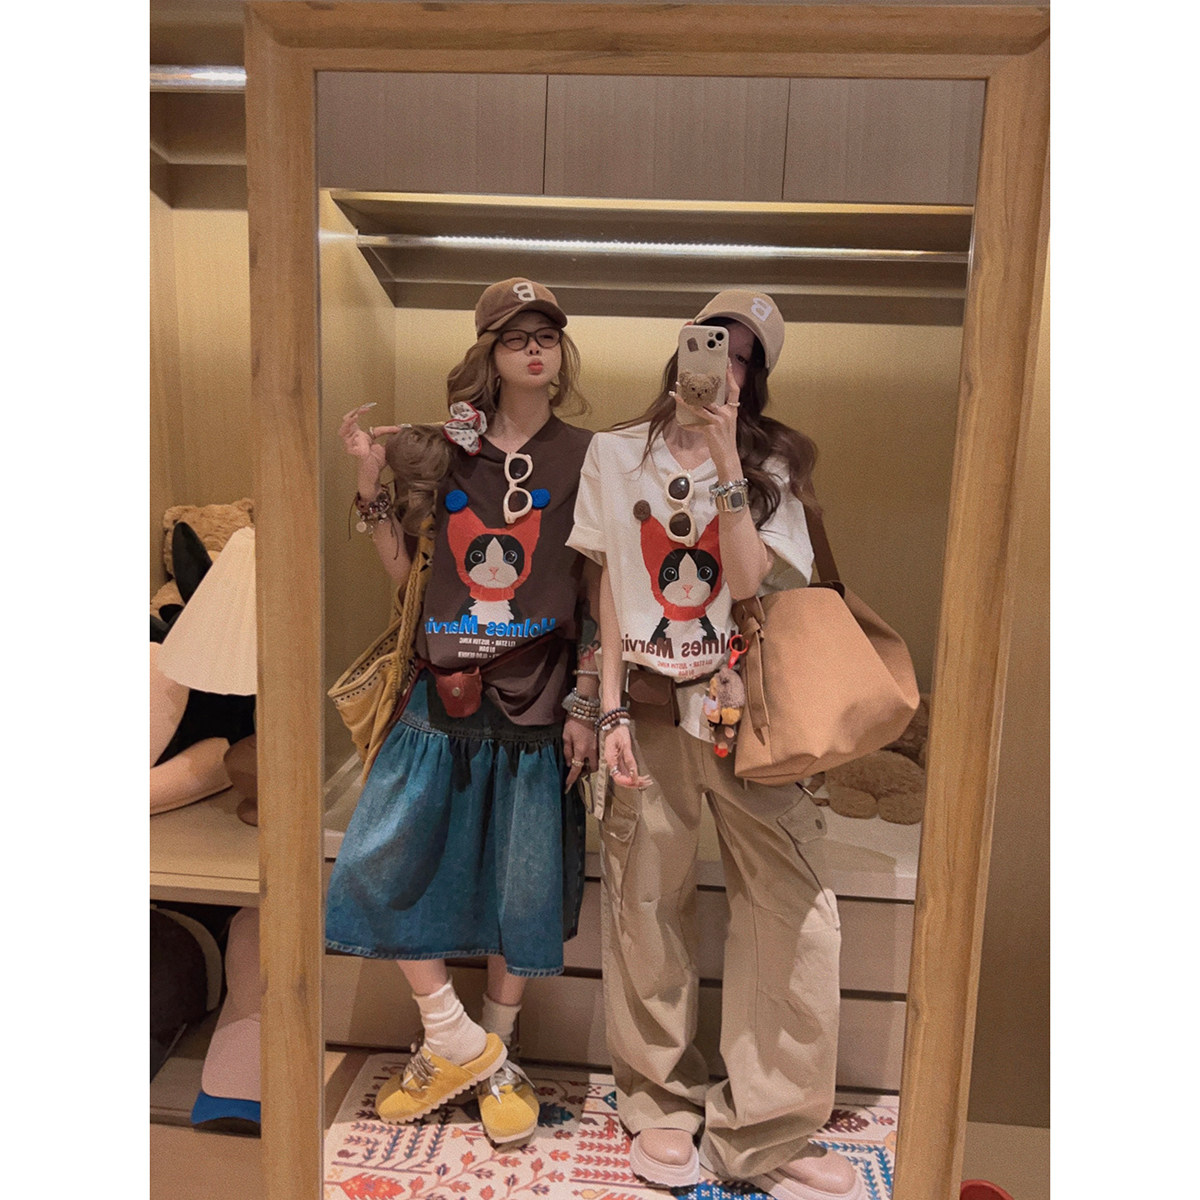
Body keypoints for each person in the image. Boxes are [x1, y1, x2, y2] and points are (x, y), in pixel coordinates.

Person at [569, 290, 866, 1200]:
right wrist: (608, 712)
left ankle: (766, 1130)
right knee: (645, 903)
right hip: (649, 710)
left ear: (756, 378)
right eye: (713, 345)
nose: (723, 366)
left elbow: (745, 580)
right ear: (681, 349)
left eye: (743, 357)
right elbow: (607, 587)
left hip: (749, 718)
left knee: (791, 910)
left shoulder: (773, 462)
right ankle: (660, 1103)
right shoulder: (615, 453)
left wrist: (732, 456)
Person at [326, 278, 600, 1146]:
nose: (534, 348)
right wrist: (369, 479)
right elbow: (405, 573)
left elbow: (600, 590)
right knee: (375, 864)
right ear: (488, 352)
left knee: (522, 887)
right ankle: (455, 1038)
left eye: (546, 335)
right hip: (438, 693)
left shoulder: (592, 455)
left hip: (539, 700)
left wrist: (590, 699)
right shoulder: (445, 449)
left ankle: (494, 1054)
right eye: (516, 336)